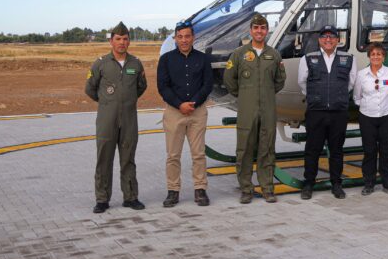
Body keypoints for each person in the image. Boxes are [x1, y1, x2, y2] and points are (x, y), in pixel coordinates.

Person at [223, 14, 287, 204]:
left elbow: (280, 81)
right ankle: (246, 189)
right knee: (244, 149)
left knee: (267, 148)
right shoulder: (239, 54)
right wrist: (245, 95)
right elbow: (229, 80)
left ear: (267, 31)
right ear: (250, 30)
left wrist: (265, 93)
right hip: (247, 109)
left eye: (263, 28)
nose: (259, 31)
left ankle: (267, 188)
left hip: (268, 109)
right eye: (256, 28)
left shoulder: (274, 55)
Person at [85, 21, 147, 214]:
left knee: (128, 159)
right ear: (111, 41)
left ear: (129, 41)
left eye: (125, 39)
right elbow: (90, 88)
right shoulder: (101, 63)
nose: (122, 42)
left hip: (129, 119)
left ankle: (131, 197)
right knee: (104, 159)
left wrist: (126, 101)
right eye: (118, 39)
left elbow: (141, 87)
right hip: (107, 120)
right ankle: (102, 199)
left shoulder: (135, 63)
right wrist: (107, 102)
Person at [157, 21, 213, 207]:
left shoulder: (203, 59)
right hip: (174, 112)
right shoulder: (166, 60)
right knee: (173, 155)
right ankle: (173, 191)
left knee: (198, 154)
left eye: (187, 36)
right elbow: (163, 86)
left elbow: (207, 85)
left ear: (193, 38)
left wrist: (193, 103)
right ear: (175, 38)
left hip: (197, 112)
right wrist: (179, 104)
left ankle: (200, 189)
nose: (184, 40)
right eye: (180, 37)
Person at [298, 25, 357, 200]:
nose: (328, 40)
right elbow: (302, 83)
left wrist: (336, 96)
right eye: (325, 37)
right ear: (319, 40)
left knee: (337, 150)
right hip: (316, 111)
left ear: (338, 40)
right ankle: (309, 184)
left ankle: (336, 184)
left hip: (338, 112)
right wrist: (317, 97)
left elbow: (351, 83)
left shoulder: (349, 59)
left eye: (332, 36)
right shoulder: (308, 58)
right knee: (312, 150)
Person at [353, 42, 388, 195]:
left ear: (383, 57)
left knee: (386, 150)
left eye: (379, 54)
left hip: (387, 116)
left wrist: (385, 107)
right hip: (367, 117)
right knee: (369, 151)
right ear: (369, 56)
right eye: (373, 54)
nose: (376, 57)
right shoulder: (361, 74)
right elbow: (357, 96)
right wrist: (368, 107)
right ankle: (369, 183)